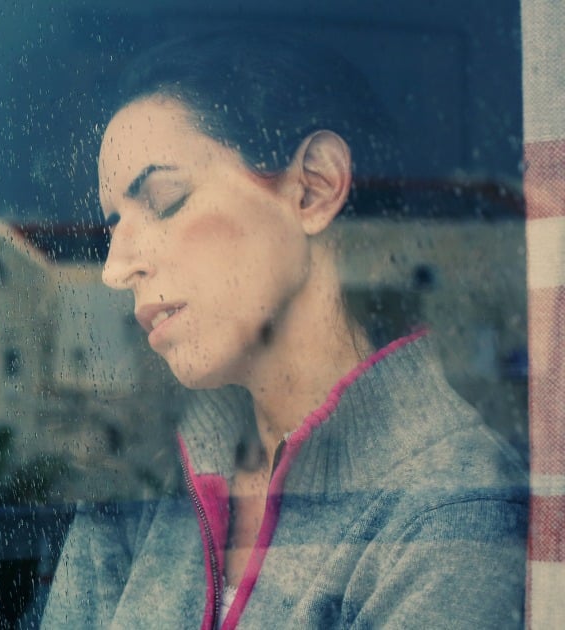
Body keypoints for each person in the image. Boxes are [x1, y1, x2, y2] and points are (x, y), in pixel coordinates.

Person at [41, 31, 527, 629]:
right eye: (113, 224)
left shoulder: (451, 510)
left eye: (165, 200)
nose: (116, 268)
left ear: (314, 187)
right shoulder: (139, 498)